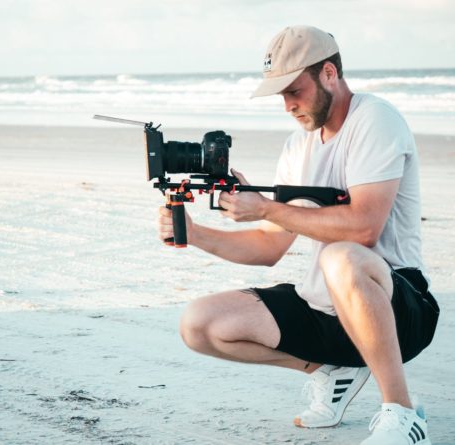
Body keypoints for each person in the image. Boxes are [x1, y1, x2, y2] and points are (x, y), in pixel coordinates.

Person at [157, 26, 439, 444]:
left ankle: (401, 413)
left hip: (399, 308)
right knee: (199, 324)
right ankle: (333, 371)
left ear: (329, 73)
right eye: (281, 95)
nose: (288, 105)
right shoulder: (297, 147)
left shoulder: (375, 120)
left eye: (295, 90)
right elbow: (270, 245)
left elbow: (364, 227)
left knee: (339, 257)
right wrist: (196, 234)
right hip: (327, 310)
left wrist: (269, 208)